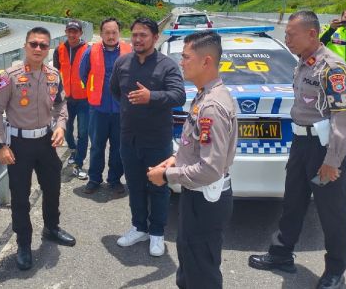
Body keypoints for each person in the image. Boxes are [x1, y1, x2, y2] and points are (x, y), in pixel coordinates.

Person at [249, 11, 346, 289]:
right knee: (293, 202)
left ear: (311, 34)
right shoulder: (303, 63)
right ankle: (281, 254)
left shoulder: (332, 68)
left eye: (291, 35)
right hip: (301, 144)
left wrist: (333, 161)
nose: (287, 39)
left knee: (333, 213)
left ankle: (335, 271)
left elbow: (342, 122)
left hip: (325, 149)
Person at [148, 30, 237, 289]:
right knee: (189, 262)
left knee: (202, 272)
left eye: (186, 57)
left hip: (205, 198)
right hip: (196, 194)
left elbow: (210, 168)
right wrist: (174, 159)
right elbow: (196, 146)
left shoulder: (212, 106)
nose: (181, 62)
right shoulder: (204, 95)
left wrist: (165, 176)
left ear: (206, 61)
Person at [0, 26, 76, 271]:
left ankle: (51, 228)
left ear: (49, 49)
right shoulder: (11, 75)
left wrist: (60, 126)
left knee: (52, 188)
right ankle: (23, 244)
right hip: (18, 144)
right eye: (34, 44)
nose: (38, 49)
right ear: (25, 46)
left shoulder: (53, 75)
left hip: (46, 141)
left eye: (43, 45)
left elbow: (60, 105)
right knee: (20, 197)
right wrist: (1, 144)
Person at [110, 17, 186, 256]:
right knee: (134, 184)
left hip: (157, 140)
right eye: (134, 35)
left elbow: (178, 96)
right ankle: (139, 227)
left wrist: (150, 97)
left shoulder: (167, 65)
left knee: (158, 186)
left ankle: (157, 233)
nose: (138, 39)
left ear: (155, 38)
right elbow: (115, 91)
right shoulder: (122, 63)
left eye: (143, 35)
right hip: (128, 138)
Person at [79, 18, 132, 195]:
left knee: (119, 147)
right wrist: (95, 90)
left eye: (114, 32)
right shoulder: (90, 51)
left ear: (119, 33)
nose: (111, 36)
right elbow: (83, 74)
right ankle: (94, 179)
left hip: (121, 110)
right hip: (98, 109)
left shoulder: (128, 51)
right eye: (107, 32)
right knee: (96, 146)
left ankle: (115, 180)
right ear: (101, 34)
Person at [53, 19, 90, 180]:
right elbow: (54, 74)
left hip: (84, 99)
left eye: (75, 31)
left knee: (83, 132)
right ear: (66, 32)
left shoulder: (88, 50)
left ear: (80, 33)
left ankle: (79, 163)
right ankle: (74, 150)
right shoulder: (59, 50)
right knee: (66, 129)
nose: (72, 34)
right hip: (66, 98)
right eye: (70, 31)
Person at [319, 8, 346, 91]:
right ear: (341, 17)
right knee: (325, 102)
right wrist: (331, 30)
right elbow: (318, 45)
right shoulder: (327, 29)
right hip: (327, 75)